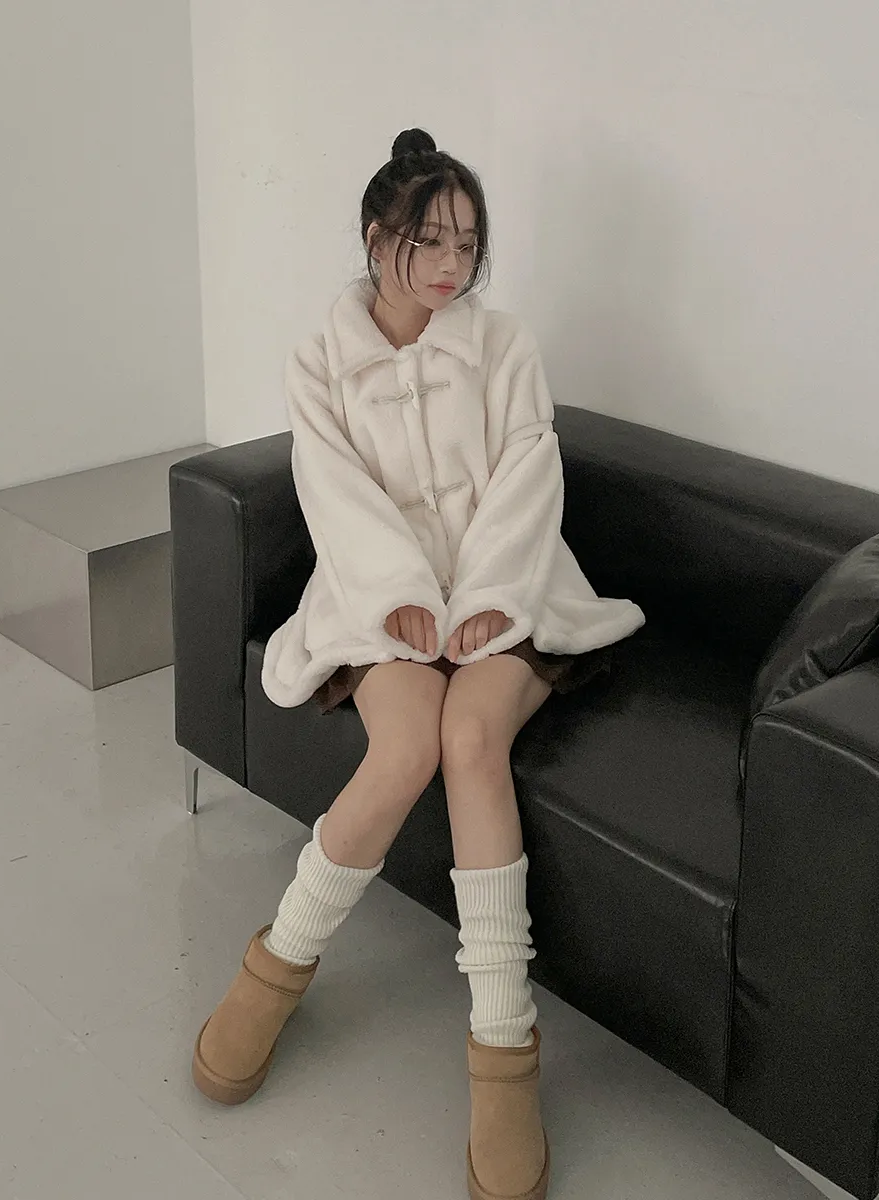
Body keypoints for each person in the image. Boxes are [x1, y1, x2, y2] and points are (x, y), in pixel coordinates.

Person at [191, 128, 645, 1200]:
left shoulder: (504, 346)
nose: (450, 265)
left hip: (508, 585)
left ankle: (504, 1053)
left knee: (471, 737)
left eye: (467, 244)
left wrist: (484, 599)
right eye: (428, 240)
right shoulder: (319, 359)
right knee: (403, 750)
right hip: (374, 591)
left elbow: (528, 474)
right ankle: (273, 972)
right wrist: (398, 589)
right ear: (375, 236)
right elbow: (329, 487)